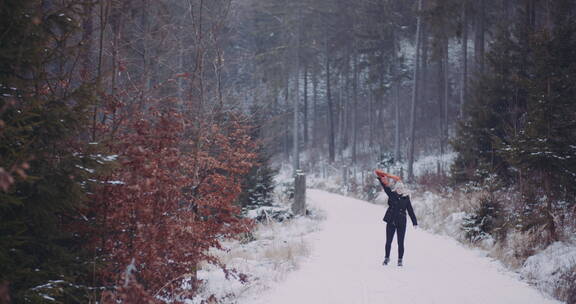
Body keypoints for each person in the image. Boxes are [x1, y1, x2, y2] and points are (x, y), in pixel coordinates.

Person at [375, 170, 418, 267]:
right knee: (388, 241)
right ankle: (386, 258)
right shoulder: (392, 194)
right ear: (396, 189)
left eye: (401, 188)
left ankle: (400, 259)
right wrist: (381, 179)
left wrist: (414, 222)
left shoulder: (406, 198)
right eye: (398, 188)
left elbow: (410, 210)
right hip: (391, 221)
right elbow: (385, 188)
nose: (399, 190)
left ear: (403, 189)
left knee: (400, 242)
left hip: (402, 223)